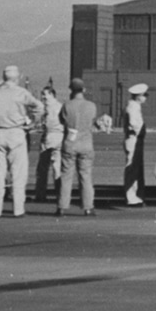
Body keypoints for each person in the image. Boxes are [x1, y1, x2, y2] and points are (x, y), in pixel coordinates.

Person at [0, 65, 44, 219]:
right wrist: (32, 123)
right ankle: (18, 209)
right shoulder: (21, 92)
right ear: (17, 77)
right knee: (18, 174)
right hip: (17, 132)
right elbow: (39, 106)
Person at [58, 78, 98, 216]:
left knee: (66, 175)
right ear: (84, 90)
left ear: (71, 90)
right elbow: (93, 121)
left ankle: (62, 206)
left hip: (70, 143)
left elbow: (61, 121)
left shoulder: (66, 105)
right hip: (86, 143)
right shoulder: (91, 106)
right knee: (86, 176)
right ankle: (88, 207)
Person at [34, 84, 64, 202]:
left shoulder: (48, 108)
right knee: (57, 168)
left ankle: (40, 195)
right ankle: (60, 194)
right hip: (59, 138)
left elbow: (46, 124)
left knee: (43, 168)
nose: (43, 98)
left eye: (45, 96)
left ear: (52, 95)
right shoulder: (61, 106)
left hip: (50, 137)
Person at [123, 83, 148, 206]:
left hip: (136, 140)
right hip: (133, 140)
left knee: (136, 168)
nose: (146, 97)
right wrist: (141, 131)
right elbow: (134, 123)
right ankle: (131, 197)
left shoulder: (135, 106)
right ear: (138, 96)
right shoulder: (132, 107)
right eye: (144, 95)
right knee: (132, 168)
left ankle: (136, 195)